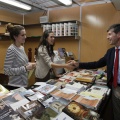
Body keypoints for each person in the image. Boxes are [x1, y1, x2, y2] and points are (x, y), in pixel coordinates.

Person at [69, 23, 120, 120]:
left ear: (118, 34)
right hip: (115, 88)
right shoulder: (111, 52)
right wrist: (79, 64)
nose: (107, 37)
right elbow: (97, 64)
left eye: (109, 34)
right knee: (117, 113)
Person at [4, 23, 36, 89]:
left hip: (24, 84)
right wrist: (25, 68)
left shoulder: (21, 48)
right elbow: (6, 70)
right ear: (15, 37)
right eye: (22, 35)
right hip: (15, 86)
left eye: (25, 34)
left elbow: (22, 63)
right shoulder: (11, 49)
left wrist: (31, 64)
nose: (25, 37)